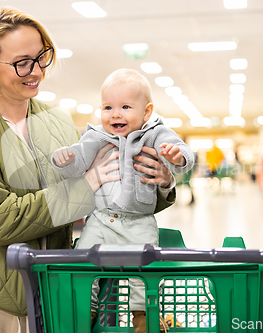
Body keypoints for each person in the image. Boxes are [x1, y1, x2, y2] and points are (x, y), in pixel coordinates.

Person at [0, 7, 176, 333]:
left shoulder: (58, 122)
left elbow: (113, 196)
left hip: (48, 290)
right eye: (22, 62)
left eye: (42, 56)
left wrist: (160, 182)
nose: (36, 70)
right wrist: (87, 185)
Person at [51, 68, 194, 333]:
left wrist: (177, 157)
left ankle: (143, 314)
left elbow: (184, 156)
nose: (115, 114)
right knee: (84, 260)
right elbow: (78, 161)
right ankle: (87, 307)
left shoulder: (155, 134)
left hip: (139, 222)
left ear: (147, 112)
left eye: (126, 106)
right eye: (107, 107)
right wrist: (65, 160)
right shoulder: (95, 137)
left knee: (145, 269)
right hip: (101, 219)